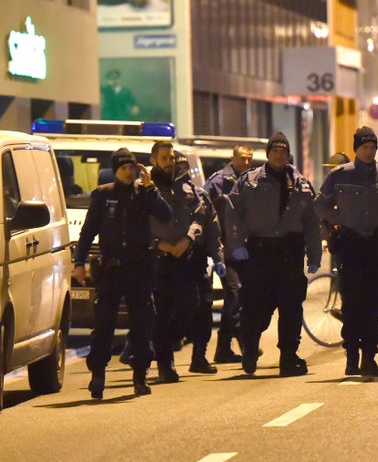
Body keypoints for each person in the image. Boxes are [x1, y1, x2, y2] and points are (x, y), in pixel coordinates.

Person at [72, 148, 172, 400]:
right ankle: (98, 375)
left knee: (142, 324)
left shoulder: (144, 194)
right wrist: (79, 262)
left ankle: (140, 375)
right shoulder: (103, 195)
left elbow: (166, 216)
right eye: (124, 168)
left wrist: (151, 189)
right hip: (111, 270)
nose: (129, 172)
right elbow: (87, 233)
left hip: (140, 270)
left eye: (132, 167)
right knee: (103, 324)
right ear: (116, 170)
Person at [314, 126, 378, 377]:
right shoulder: (339, 175)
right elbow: (320, 204)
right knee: (351, 302)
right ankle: (351, 357)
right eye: (365, 147)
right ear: (356, 149)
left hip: (376, 245)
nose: (369, 152)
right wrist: (340, 218)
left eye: (372, 147)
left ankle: (369, 357)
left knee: (372, 301)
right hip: (350, 245)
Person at [224, 131, 322, 377]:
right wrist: (236, 244)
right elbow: (233, 212)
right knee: (255, 307)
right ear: (268, 154)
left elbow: (312, 222)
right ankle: (249, 350)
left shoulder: (301, 184)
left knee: (291, 308)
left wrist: (315, 253)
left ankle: (288, 357)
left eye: (283, 151)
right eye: (275, 151)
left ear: (289, 155)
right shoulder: (250, 181)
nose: (279, 155)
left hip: (290, 252)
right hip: (259, 253)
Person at [150, 142, 225, 383]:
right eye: (165, 158)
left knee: (193, 308)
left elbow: (203, 219)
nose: (170, 162)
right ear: (155, 161)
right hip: (159, 261)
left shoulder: (192, 191)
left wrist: (190, 240)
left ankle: (191, 353)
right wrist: (158, 244)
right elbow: (137, 225)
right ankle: (165, 364)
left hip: (189, 259)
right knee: (162, 314)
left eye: (172, 158)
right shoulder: (147, 191)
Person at [204, 145, 254, 364]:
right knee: (235, 293)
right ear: (232, 158)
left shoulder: (253, 180)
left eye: (249, 159)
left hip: (245, 248)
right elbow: (204, 211)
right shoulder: (217, 182)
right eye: (242, 158)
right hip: (225, 249)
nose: (246, 163)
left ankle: (224, 348)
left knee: (237, 298)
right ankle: (245, 343)